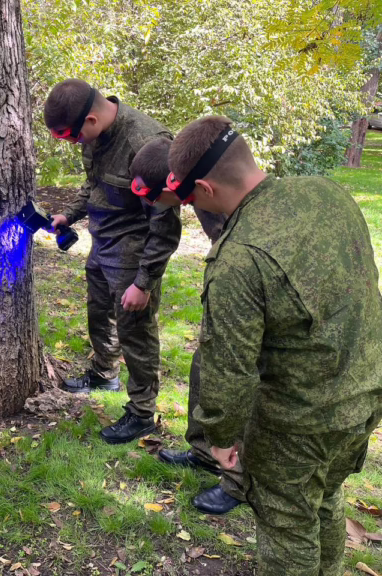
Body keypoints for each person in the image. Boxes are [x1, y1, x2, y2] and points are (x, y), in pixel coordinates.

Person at [169, 115, 382, 575]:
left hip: (298, 423)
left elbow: (230, 369)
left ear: (204, 189)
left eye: (187, 197)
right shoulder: (326, 193)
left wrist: (220, 437)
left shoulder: (237, 258)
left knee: (287, 530)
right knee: (323, 499)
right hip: (364, 393)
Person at [43, 79, 181, 444]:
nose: (75, 144)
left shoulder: (148, 144)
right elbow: (93, 185)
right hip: (101, 243)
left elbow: (165, 225)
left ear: (90, 119)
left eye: (72, 137)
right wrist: (68, 216)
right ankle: (104, 374)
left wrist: (144, 281)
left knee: (136, 332)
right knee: (99, 314)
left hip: (133, 254)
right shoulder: (94, 136)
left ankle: (141, 412)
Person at [129, 138, 244, 514]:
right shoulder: (198, 192)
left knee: (239, 381)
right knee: (203, 367)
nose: (150, 205)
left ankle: (239, 481)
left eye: (153, 195)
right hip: (230, 284)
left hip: (252, 296)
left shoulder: (224, 199)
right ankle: (203, 452)